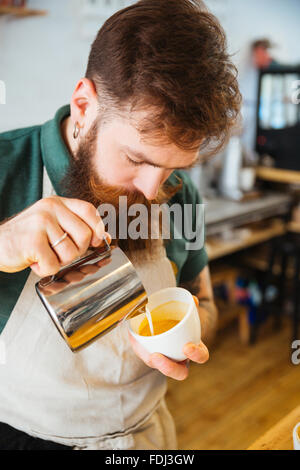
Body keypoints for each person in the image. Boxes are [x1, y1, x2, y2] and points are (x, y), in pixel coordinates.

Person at [0, 0, 241, 450]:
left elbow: (203, 299)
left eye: (173, 168)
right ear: (84, 104)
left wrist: (186, 335)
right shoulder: (6, 166)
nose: (151, 193)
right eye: (135, 159)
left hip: (144, 439)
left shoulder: (181, 195)